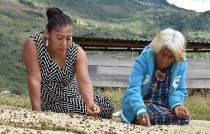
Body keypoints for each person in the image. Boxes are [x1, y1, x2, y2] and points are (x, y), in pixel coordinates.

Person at [22, 7, 114, 119]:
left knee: (107, 106)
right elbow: (35, 78)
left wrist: (90, 103)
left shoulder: (77, 52)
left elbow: (84, 83)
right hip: (53, 101)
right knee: (81, 109)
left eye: (68, 39)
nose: (64, 44)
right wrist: (37, 112)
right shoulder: (33, 44)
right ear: (48, 33)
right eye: (59, 38)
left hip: (76, 93)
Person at [120, 28, 190, 126]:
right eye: (163, 54)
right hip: (142, 103)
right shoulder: (143, 60)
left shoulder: (180, 64)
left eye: (170, 57)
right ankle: (130, 115)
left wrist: (177, 105)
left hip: (165, 105)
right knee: (152, 116)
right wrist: (140, 111)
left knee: (184, 117)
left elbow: (179, 89)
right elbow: (134, 89)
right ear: (157, 49)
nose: (165, 60)